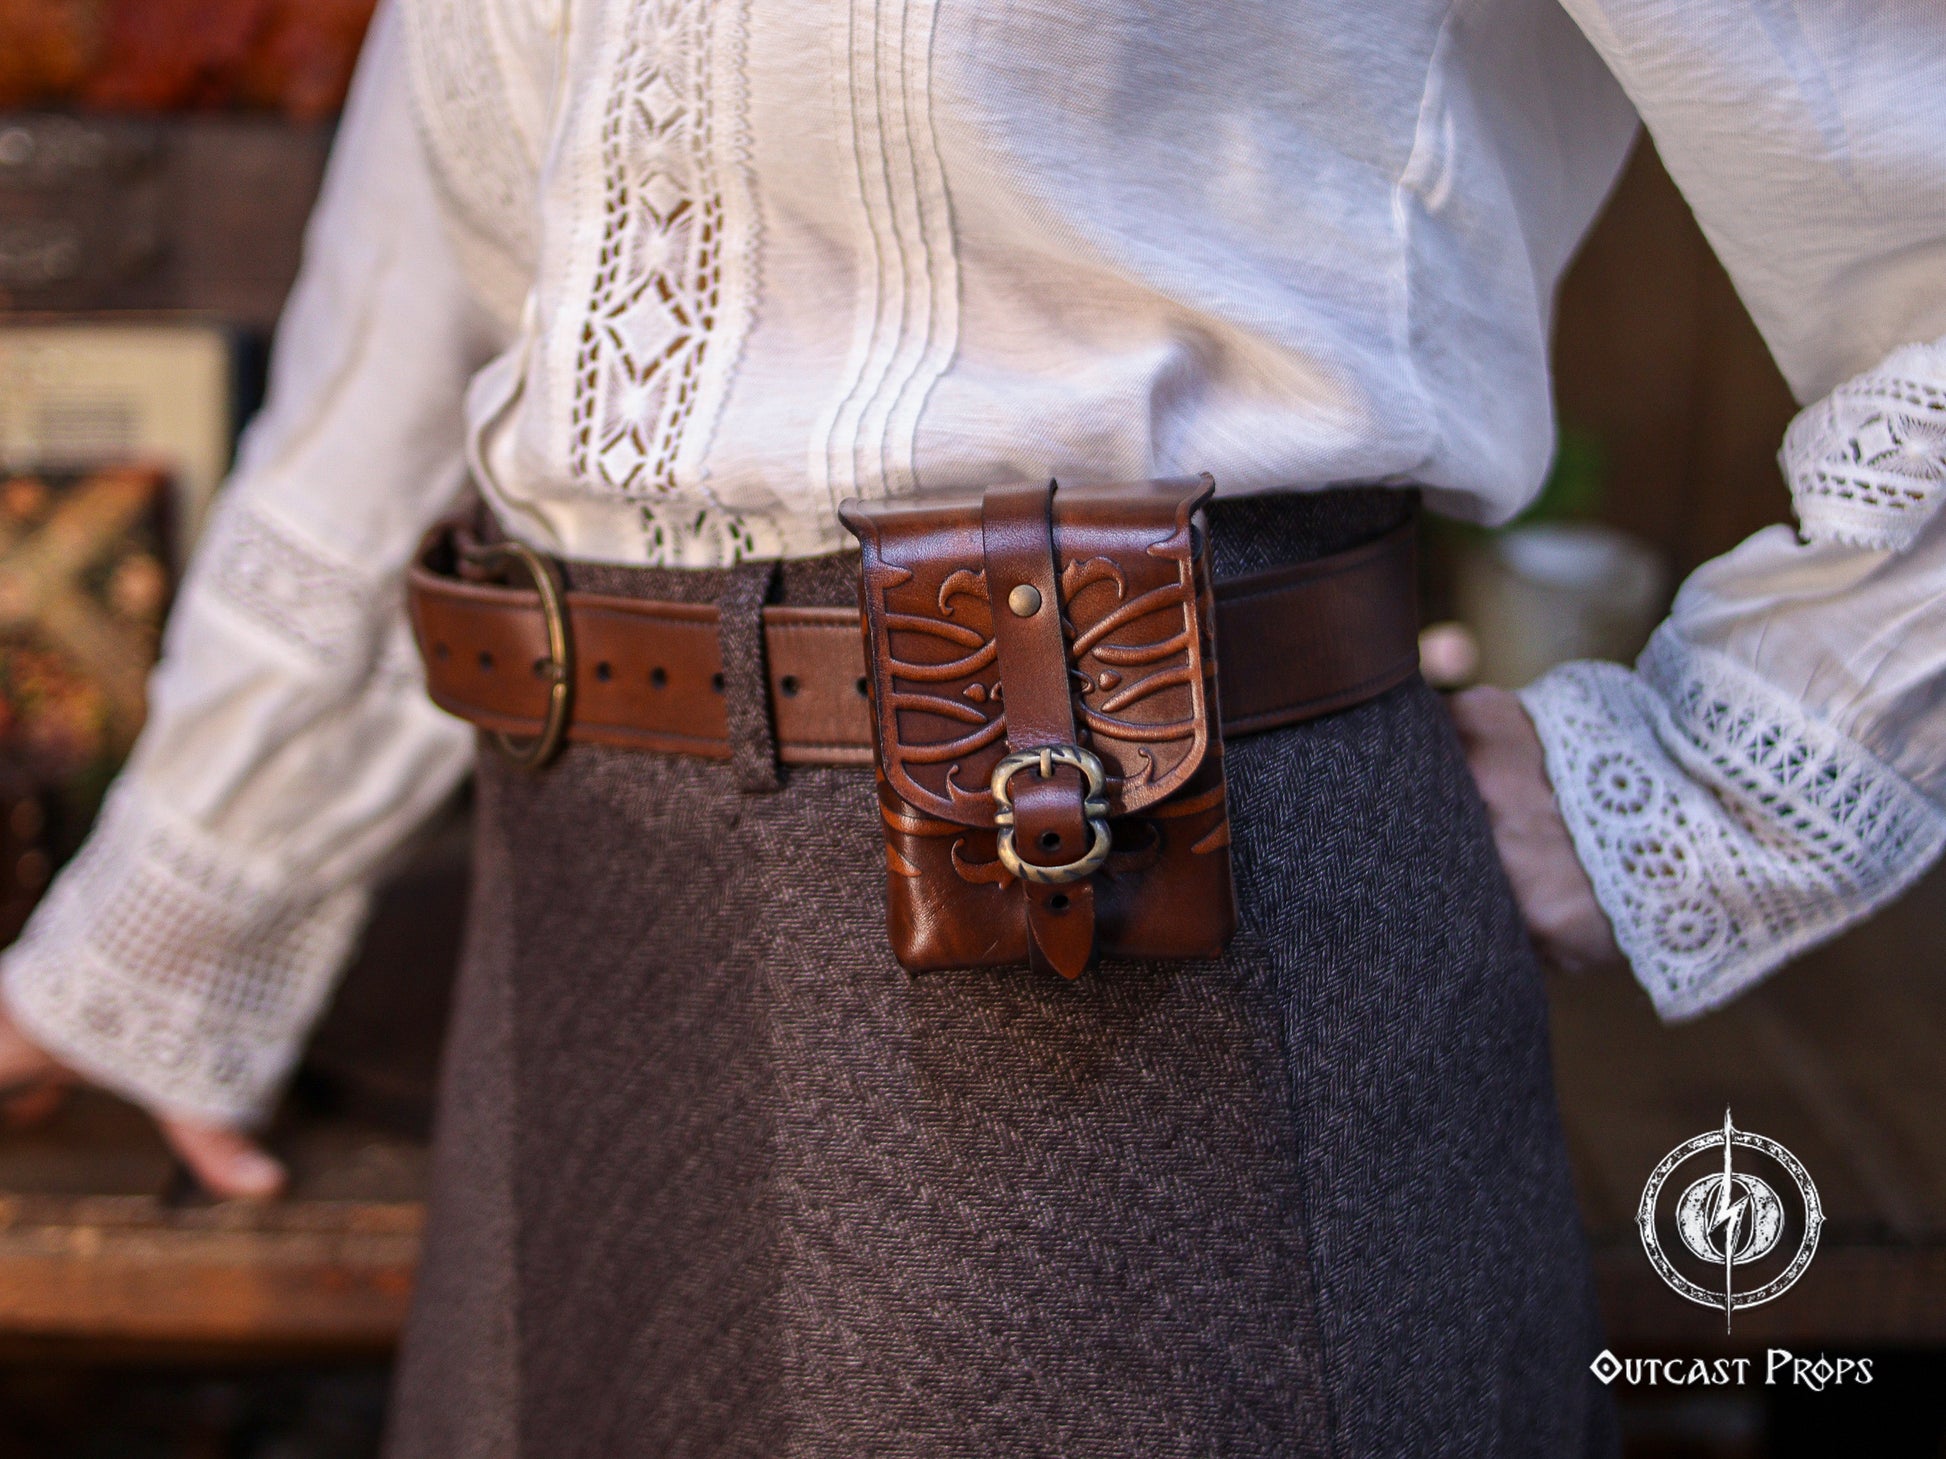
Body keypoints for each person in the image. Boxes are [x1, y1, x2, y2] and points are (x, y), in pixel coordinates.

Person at [3, 2, 1944, 1453]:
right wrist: (169, 908)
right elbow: (427, 319)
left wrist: (1704, 780)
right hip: (576, 962)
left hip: (1138, 978)